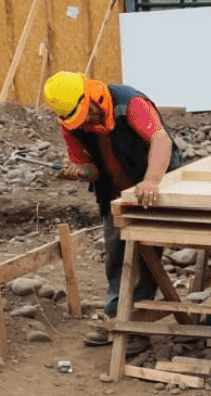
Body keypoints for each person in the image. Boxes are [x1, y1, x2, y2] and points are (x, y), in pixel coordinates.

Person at [43, 72, 180, 352]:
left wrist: (151, 180)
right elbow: (92, 169)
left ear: (91, 97)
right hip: (115, 193)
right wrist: (80, 172)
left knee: (148, 256)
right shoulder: (72, 125)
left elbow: (161, 141)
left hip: (153, 184)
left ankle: (139, 325)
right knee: (116, 255)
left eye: (87, 116)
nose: (86, 123)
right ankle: (116, 318)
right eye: (80, 121)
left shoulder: (130, 103)